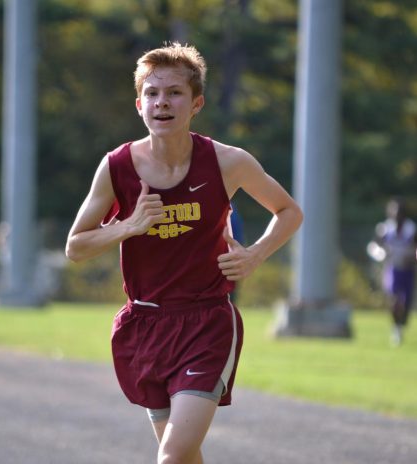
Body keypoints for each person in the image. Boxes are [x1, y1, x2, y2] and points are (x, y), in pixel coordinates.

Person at [65, 43, 302, 464]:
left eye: (174, 93)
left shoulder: (229, 162)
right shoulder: (116, 167)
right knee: (184, 456)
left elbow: (288, 211)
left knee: (172, 455)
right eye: (153, 93)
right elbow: (75, 246)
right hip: (145, 324)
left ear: (196, 104)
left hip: (206, 322)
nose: (162, 102)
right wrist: (128, 226)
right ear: (139, 104)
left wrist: (256, 255)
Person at [370, 198, 417, 346]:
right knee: (395, 299)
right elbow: (374, 246)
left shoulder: (411, 229)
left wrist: (411, 257)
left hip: (408, 269)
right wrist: (382, 254)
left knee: (406, 301)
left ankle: (401, 323)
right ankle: (396, 329)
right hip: (392, 268)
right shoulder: (385, 229)